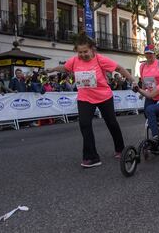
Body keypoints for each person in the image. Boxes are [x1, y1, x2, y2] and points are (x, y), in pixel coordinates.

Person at [46, 33, 137, 168]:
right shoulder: (75, 60)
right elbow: (65, 68)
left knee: (112, 123)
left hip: (103, 96)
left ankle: (120, 149)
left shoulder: (100, 59)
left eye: (85, 52)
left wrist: (133, 80)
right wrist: (52, 69)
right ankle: (91, 157)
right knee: (84, 124)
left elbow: (119, 68)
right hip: (85, 97)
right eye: (80, 52)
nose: (82, 55)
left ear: (92, 49)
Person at [139, 44, 159, 113]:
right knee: (146, 112)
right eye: (147, 53)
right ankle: (153, 123)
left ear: (154, 54)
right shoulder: (142, 66)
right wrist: (142, 92)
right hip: (150, 94)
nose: (149, 55)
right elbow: (143, 81)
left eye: (151, 53)